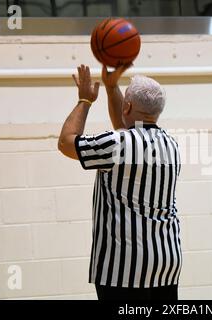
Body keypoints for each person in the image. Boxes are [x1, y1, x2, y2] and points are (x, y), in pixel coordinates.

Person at [58, 64, 182, 301]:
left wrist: (85, 100)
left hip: (122, 269)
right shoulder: (171, 145)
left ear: (128, 105)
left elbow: (66, 142)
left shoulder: (116, 144)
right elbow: (126, 130)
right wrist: (112, 86)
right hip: (166, 263)